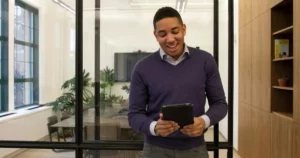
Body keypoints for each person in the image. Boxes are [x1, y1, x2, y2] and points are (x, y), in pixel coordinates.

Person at [128, 6, 228, 158]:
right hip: (155, 149)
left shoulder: (205, 61)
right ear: (155, 35)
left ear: (184, 29)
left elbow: (220, 104)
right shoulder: (142, 68)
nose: (170, 39)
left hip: (195, 149)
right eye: (162, 34)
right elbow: (134, 115)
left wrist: (203, 121)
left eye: (175, 31)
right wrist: (155, 127)